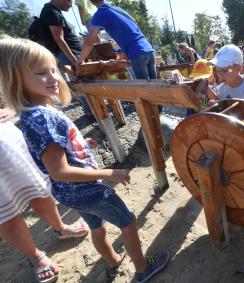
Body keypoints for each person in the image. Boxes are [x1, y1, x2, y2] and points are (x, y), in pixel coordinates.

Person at [0, 38, 169, 283]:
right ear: (17, 80)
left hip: (68, 194)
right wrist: (110, 173)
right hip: (87, 189)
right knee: (128, 221)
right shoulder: (43, 118)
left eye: (53, 70)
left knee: (96, 227)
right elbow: (59, 170)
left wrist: (79, 145)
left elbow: (53, 153)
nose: (52, 78)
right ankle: (143, 268)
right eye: (40, 73)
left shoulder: (33, 115)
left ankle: (113, 261)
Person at [0, 117, 89, 283]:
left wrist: (11, 107)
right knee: (4, 214)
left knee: (37, 189)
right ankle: (34, 256)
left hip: (4, 139)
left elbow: (13, 90)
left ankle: (60, 227)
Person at [77, 0, 156, 80]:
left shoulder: (100, 14)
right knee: (157, 86)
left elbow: (89, 41)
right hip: (148, 48)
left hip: (137, 52)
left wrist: (79, 61)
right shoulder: (118, 9)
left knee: (144, 90)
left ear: (91, 1)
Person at [39, 0, 82, 66]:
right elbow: (58, 38)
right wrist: (75, 61)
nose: (71, 4)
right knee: (89, 76)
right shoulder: (52, 12)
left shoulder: (51, 10)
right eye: (69, 0)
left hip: (72, 54)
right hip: (72, 55)